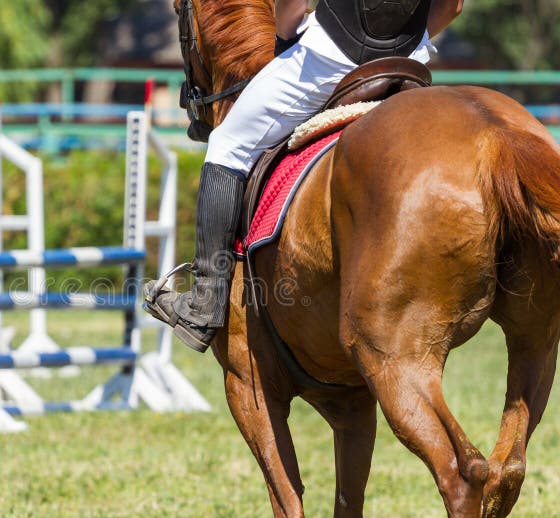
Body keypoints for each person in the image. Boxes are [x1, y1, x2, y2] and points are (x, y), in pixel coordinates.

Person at [145, 0, 464, 352]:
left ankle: (203, 304)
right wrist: (412, 40)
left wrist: (284, 38)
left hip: (329, 57)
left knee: (226, 143)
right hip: (407, 64)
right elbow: (453, 7)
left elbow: (293, 6)